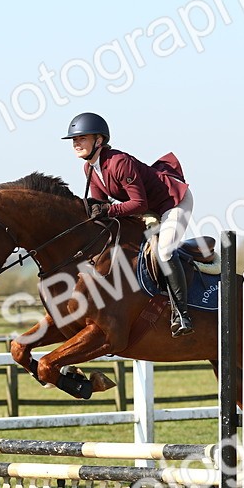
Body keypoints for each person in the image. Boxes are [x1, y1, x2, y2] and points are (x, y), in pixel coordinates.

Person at [62, 112, 195, 337]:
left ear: (99, 140)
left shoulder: (119, 162)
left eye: (82, 138)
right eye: (75, 139)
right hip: (146, 208)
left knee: (164, 251)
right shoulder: (89, 169)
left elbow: (138, 203)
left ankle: (181, 314)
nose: (76, 143)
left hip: (172, 201)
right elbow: (102, 207)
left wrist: (107, 210)